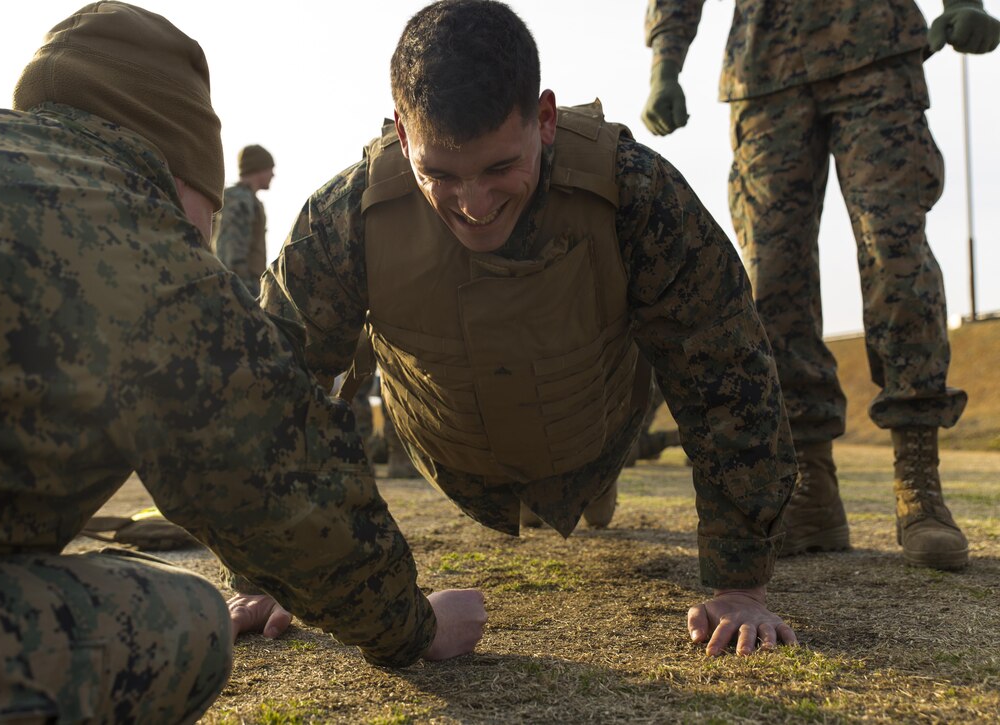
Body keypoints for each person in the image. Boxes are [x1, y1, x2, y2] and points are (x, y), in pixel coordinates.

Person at [0, 3, 484, 722]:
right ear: (189, 176)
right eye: (206, 218)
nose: (206, 236)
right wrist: (417, 627)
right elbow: (281, 482)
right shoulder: (133, 235)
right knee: (178, 617)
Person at [262, 0, 799, 656]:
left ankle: (593, 493)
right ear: (402, 136)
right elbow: (271, 383)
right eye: (440, 175)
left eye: (497, 168)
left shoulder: (636, 193)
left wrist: (740, 581)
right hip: (449, 449)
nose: (474, 205)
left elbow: (725, 370)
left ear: (545, 120)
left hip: (593, 437)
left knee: (595, 484)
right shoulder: (347, 218)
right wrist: (262, 565)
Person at [642, 0, 1000, 570]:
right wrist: (666, 62)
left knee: (896, 255)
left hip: (877, 54)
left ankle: (919, 485)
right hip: (765, 72)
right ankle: (810, 486)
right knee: (773, 279)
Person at [212, 144, 276, 295]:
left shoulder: (243, 200)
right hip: (239, 287)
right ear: (258, 169)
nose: (273, 174)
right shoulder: (240, 201)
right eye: (270, 168)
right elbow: (232, 251)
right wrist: (244, 291)